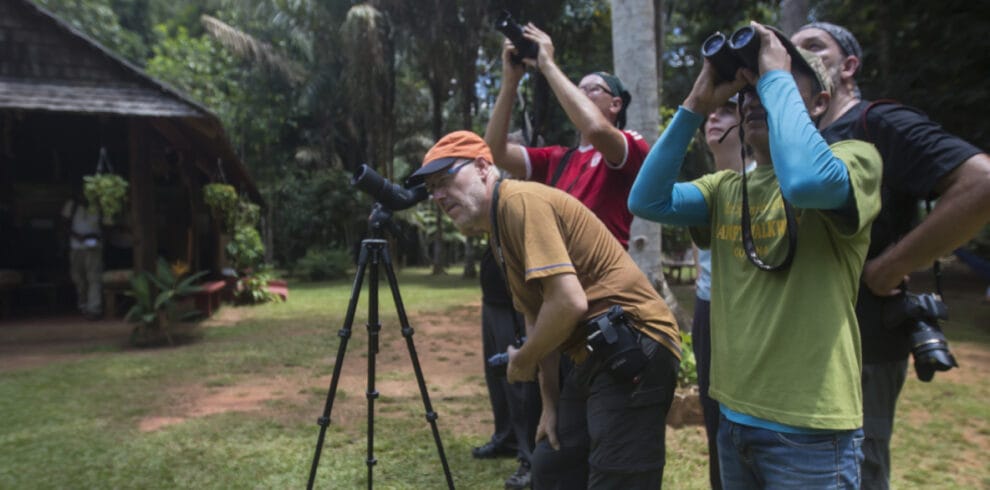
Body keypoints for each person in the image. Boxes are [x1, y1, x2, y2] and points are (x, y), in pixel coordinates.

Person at [629, 22, 882, 488]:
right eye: (745, 93)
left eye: (772, 84)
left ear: (819, 102)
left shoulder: (855, 159)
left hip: (810, 429)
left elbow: (805, 182)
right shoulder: (726, 189)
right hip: (735, 416)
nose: (750, 100)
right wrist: (695, 105)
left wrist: (773, 74)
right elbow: (645, 201)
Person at [408, 130, 681, 488]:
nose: (438, 195)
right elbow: (537, 314)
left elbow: (568, 302)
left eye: (444, 180)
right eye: (431, 189)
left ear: (482, 167)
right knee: (553, 466)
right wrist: (549, 405)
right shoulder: (499, 230)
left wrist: (522, 358)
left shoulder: (520, 202)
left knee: (617, 477)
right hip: (591, 351)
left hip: (635, 345)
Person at [791, 22, 990, 490]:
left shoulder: (877, 122)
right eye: (793, 50)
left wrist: (891, 266)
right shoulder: (792, 142)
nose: (801, 55)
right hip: (797, 344)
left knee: (855, 469)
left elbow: (980, 184)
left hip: (865, 341)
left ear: (849, 66)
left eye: (815, 46)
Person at [485, 24, 648, 247]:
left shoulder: (631, 144)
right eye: (579, 89)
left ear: (616, 104)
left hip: (602, 274)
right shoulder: (558, 158)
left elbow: (596, 130)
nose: (582, 94)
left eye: (593, 89)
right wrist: (510, 81)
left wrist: (548, 65)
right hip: (560, 273)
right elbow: (495, 152)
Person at [691, 94, 747, 490]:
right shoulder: (703, 189)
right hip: (708, 309)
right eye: (710, 109)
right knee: (716, 424)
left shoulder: (768, 178)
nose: (713, 115)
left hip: (749, 310)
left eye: (727, 109)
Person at [475, 246, 540, 489]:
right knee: (498, 377)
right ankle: (507, 438)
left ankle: (530, 457)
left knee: (519, 379)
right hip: (493, 296)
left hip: (514, 298)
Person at [62, 188, 104, 320]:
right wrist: (77, 236)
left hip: (94, 247)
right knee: (78, 278)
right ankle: (83, 304)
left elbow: (107, 225)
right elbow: (63, 224)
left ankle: (94, 308)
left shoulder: (100, 205)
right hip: (76, 247)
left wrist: (97, 236)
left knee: (94, 277)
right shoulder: (72, 205)